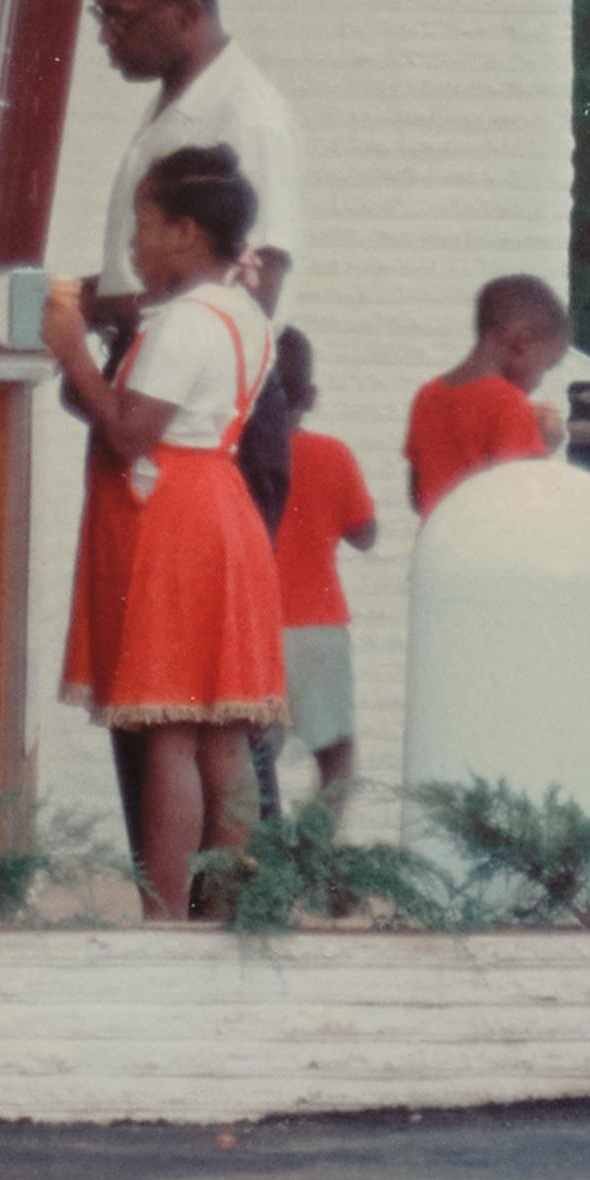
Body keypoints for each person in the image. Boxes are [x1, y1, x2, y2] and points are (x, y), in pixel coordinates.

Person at [42, 143, 288, 923]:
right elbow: (126, 412)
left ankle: (163, 917)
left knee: (173, 732)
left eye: (141, 228)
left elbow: (127, 431)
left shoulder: (184, 324)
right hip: (218, 507)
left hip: (174, 524)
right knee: (221, 731)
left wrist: (71, 349)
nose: (131, 248)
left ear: (184, 232)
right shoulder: (242, 314)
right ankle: (230, 908)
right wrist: (84, 370)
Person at [87, 0, 303, 336]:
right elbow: (169, 276)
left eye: (121, 19)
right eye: (100, 17)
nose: (106, 37)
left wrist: (102, 310)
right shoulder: (177, 102)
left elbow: (253, 293)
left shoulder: (247, 118)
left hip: (197, 398)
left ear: (186, 12)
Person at [261, 328, 383, 821]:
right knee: (334, 751)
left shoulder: (235, 458)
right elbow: (365, 533)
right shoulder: (331, 454)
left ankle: (257, 863)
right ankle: (319, 861)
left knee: (251, 756)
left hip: (253, 628)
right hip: (318, 626)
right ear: (310, 396)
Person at [405, 272, 573, 518]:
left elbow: (417, 497)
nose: (539, 381)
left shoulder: (428, 395)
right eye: (546, 366)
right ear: (522, 343)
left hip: (435, 549)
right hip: (490, 551)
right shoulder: (511, 404)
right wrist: (545, 447)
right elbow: (521, 502)